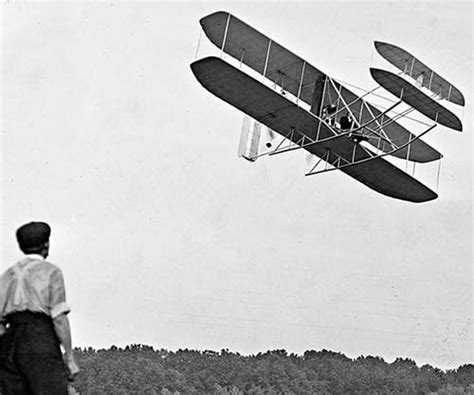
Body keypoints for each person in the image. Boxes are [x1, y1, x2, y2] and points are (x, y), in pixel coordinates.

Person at [0, 221, 79, 394]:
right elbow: (58, 318)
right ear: (46, 244)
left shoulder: (7, 275)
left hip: (10, 342)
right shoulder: (51, 272)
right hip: (40, 339)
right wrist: (69, 357)